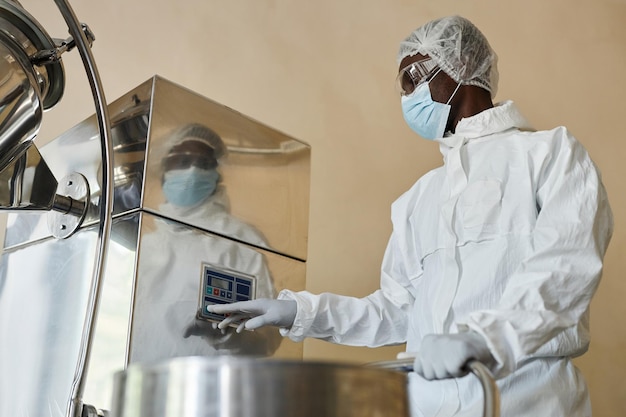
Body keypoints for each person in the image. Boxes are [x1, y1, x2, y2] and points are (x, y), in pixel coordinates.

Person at [208, 15, 613, 417]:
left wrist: (485, 341)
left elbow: (564, 269)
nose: (406, 98)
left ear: (464, 68)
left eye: (413, 79)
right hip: (425, 406)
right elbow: (397, 310)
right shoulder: (420, 198)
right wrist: (301, 313)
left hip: (526, 404)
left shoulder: (550, 155)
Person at [130, 123, 281, 363]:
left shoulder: (242, 240)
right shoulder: (145, 243)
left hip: (214, 387)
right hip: (147, 384)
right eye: (182, 161)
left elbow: (268, 335)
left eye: (204, 164)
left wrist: (230, 337)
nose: (192, 171)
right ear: (163, 171)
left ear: (216, 175)